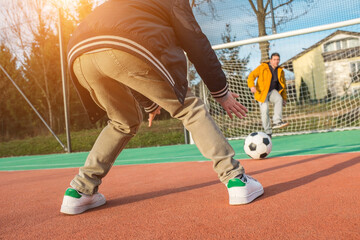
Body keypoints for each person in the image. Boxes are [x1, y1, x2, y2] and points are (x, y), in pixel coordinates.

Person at [60, 0, 263, 215]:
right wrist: (221, 92)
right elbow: (195, 43)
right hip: (125, 45)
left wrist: (150, 104)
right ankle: (235, 179)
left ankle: (79, 190)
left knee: (122, 122)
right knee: (189, 108)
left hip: (79, 53)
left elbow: (126, 61)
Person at [247, 53, 289, 138]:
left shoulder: (280, 71)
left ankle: (277, 121)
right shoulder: (262, 67)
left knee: (279, 99)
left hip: (272, 92)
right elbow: (251, 76)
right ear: (271, 60)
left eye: (278, 60)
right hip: (261, 93)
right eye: (274, 59)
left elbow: (283, 85)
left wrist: (284, 98)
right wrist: (252, 86)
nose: (276, 61)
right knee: (265, 111)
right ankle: (268, 132)